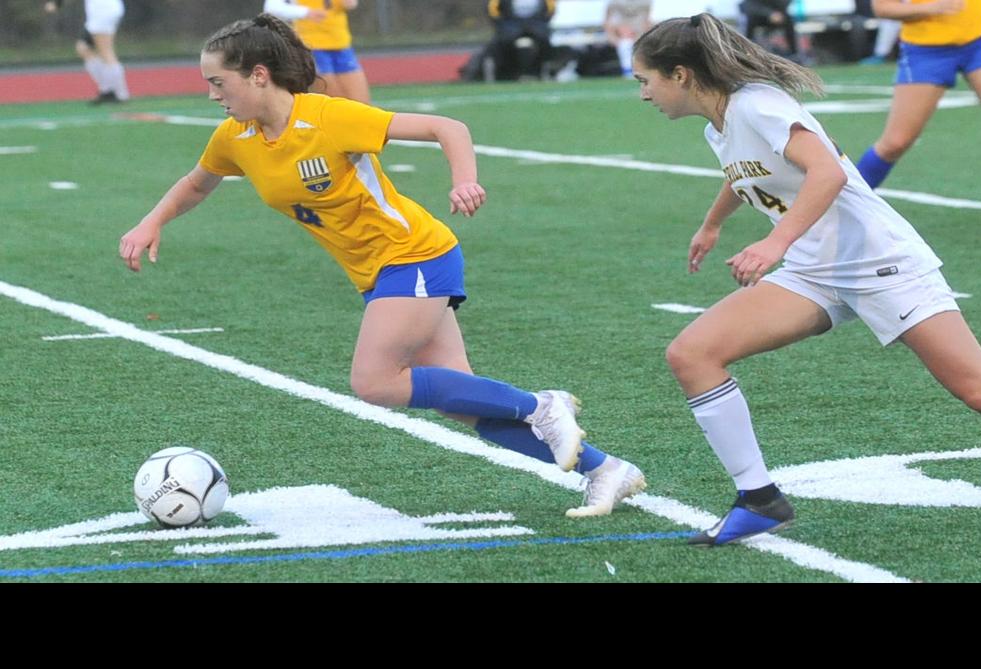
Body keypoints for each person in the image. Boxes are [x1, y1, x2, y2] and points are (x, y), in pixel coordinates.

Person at [630, 13, 981, 546]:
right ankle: (759, 498)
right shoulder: (719, 123)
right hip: (815, 272)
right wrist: (711, 225)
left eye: (645, 81)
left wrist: (775, 241)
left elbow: (829, 171)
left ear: (681, 74)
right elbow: (745, 172)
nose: (643, 95)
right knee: (692, 353)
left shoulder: (758, 105)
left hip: (881, 264)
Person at [118, 14, 646, 518]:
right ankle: (606, 470)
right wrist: (151, 222)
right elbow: (197, 182)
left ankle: (541, 404)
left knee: (373, 381)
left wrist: (464, 180)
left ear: (258, 76)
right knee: (463, 402)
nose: (212, 95)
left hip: (414, 254)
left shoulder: (327, 116)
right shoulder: (236, 138)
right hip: (379, 274)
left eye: (219, 82)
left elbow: (448, 126)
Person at [855, 0, 981, 232]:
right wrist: (929, 8)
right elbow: (883, 9)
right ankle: (842, 206)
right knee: (896, 142)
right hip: (925, 50)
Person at [263, 0, 371, 103]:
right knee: (333, 100)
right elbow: (272, 7)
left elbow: (350, 4)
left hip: (341, 43)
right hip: (313, 46)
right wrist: (305, 12)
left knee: (361, 102)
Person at [44, 0, 129, 104]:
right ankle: (108, 90)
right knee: (83, 48)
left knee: (106, 52)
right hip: (103, 11)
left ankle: (119, 93)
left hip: (103, 10)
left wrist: (57, 4)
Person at [486, 0, 556, 80]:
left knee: (545, 43)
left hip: (536, 25)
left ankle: (539, 71)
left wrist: (542, 21)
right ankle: (505, 72)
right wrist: (501, 23)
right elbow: (492, 10)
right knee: (501, 45)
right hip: (510, 26)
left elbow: (550, 9)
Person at [604, 0, 652, 77]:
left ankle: (636, 70)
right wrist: (614, 35)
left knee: (628, 44)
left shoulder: (645, 3)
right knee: (625, 44)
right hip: (620, 33)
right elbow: (609, 20)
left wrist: (640, 35)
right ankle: (628, 71)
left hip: (639, 32)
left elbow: (647, 21)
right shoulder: (615, 3)